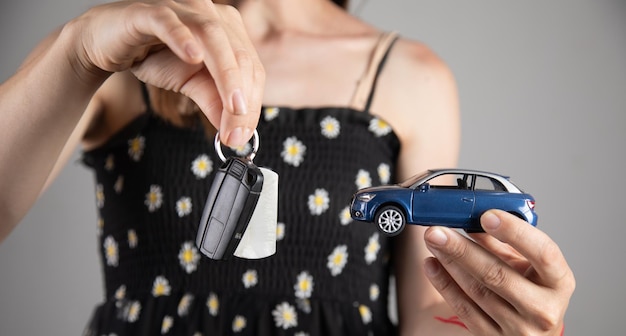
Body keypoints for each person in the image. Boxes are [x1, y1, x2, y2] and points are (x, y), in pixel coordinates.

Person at [0, 0, 575, 335]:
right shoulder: (119, 51)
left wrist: (498, 319)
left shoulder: (409, 75)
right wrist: (74, 52)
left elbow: (429, 312)